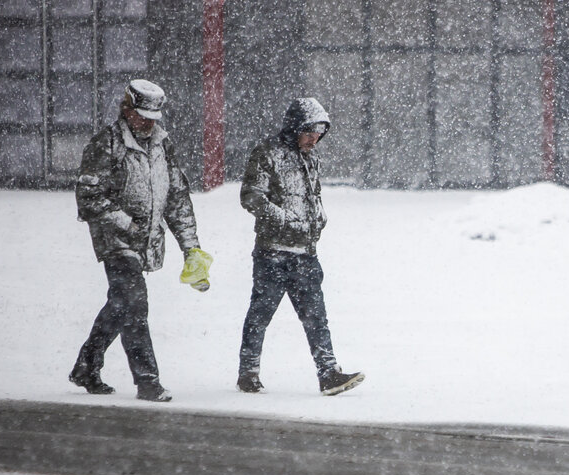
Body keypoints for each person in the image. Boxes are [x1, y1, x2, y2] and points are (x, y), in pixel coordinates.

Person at [70, 79, 212, 402]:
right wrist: (126, 223)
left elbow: (177, 199)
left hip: (145, 240)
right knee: (134, 302)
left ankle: (86, 364)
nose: (148, 123)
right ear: (127, 110)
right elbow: (88, 197)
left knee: (121, 305)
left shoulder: (163, 146)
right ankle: (147, 380)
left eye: (153, 117)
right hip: (114, 240)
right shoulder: (106, 144)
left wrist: (191, 248)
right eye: (143, 115)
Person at [238, 97, 364, 396]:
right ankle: (248, 372)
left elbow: (313, 196)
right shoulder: (267, 153)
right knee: (260, 314)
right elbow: (251, 196)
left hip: (306, 253)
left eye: (319, 133)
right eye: (309, 131)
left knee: (317, 317)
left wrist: (318, 219)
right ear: (294, 128)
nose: (314, 138)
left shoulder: (311, 158)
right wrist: (286, 220)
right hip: (272, 252)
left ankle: (329, 373)